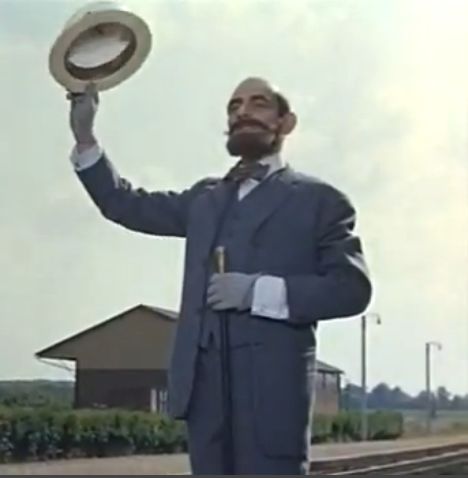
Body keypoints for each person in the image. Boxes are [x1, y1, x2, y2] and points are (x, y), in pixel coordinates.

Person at [67, 77, 372, 475]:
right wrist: (85, 137)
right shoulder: (205, 199)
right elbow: (125, 204)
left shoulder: (319, 201)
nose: (243, 112)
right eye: (234, 106)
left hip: (272, 400)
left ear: (286, 122)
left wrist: (258, 292)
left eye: (259, 103)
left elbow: (350, 289)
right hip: (205, 396)